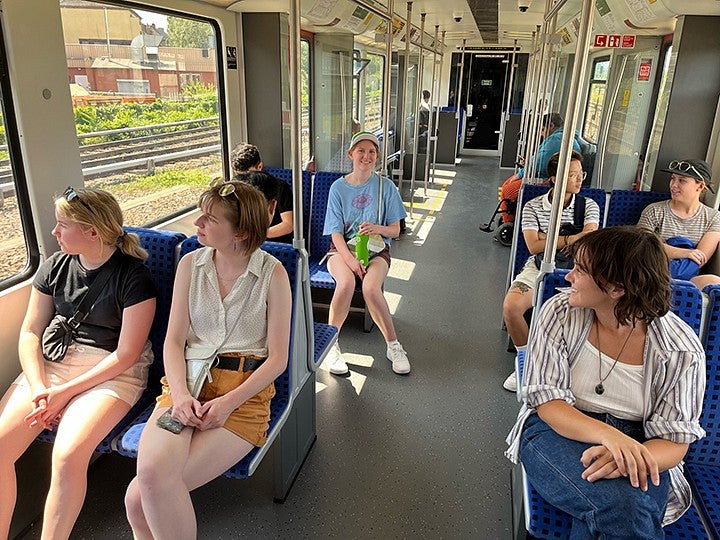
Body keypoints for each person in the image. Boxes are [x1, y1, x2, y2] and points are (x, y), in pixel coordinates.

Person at [505, 226, 706, 537]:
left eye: (580, 270)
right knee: (627, 508)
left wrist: (625, 455)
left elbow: (675, 440)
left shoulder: (680, 348)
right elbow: (549, 403)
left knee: (621, 507)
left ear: (616, 288)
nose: (568, 277)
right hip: (559, 429)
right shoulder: (559, 313)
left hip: (643, 442)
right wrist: (611, 438)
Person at [125, 180, 291, 538]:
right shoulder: (190, 265)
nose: (197, 224)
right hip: (187, 381)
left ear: (240, 231)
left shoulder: (273, 274)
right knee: (142, 492)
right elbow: (173, 342)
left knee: (141, 497)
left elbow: (278, 359)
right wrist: (181, 395)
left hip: (243, 395)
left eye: (209, 219)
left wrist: (229, 403)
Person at [0, 187, 156, 540]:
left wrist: (64, 393)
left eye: (62, 225)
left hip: (111, 372)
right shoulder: (54, 266)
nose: (54, 233)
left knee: (67, 456)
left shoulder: (133, 277)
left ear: (93, 231)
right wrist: (41, 387)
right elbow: (30, 332)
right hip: (52, 363)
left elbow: (126, 354)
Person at [502, 151, 600, 391]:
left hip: (581, 270)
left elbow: (589, 239)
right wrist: (572, 237)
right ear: (555, 179)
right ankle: (526, 362)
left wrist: (550, 236)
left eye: (581, 174)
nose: (580, 180)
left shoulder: (589, 205)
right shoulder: (533, 207)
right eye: (573, 175)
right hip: (539, 267)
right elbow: (533, 245)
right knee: (511, 307)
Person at [322, 131, 410, 376]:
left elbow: (395, 230)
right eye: (361, 151)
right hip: (342, 250)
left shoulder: (386, 186)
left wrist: (376, 228)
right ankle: (331, 346)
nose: (366, 156)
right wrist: (350, 261)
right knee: (346, 284)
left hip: (376, 249)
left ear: (377, 156)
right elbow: (335, 234)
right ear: (350, 154)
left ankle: (393, 345)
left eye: (372, 152)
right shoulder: (337, 188)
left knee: (371, 288)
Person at [637, 158, 720, 288]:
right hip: (651, 271)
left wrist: (663, 247)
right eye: (672, 179)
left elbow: (700, 258)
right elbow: (642, 245)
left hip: (688, 278)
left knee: (715, 281)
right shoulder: (654, 210)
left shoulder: (712, 217)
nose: (673, 185)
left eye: (682, 181)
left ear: (700, 186)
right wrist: (685, 253)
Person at [230, 142, 294, 243]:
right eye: (240, 176)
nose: (244, 182)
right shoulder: (234, 188)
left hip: (273, 242)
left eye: (248, 175)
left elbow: (288, 225)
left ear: (259, 166)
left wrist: (255, 234)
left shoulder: (279, 187)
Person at [518, 113, 581, 180]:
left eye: (542, 129)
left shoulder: (557, 139)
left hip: (554, 179)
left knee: (510, 187)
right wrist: (529, 162)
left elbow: (539, 165)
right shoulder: (561, 137)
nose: (541, 134)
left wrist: (520, 174)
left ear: (551, 126)